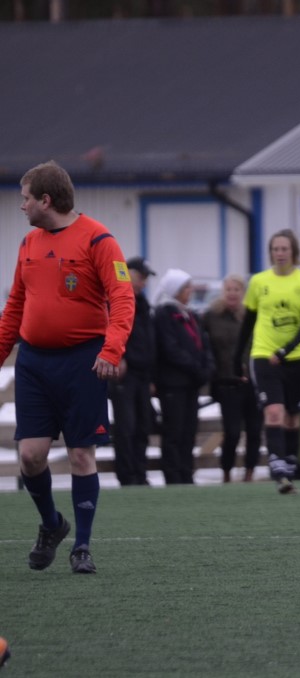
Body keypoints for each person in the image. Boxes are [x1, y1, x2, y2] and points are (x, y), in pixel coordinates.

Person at [0, 160, 135, 574]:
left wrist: (111, 350)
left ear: (45, 200)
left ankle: (82, 546)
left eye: (25, 198)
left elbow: (123, 298)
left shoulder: (99, 239)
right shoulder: (28, 243)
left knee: (80, 455)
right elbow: (15, 306)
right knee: (30, 456)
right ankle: (52, 524)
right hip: (34, 363)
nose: (21, 206)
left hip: (83, 361)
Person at [235, 229, 300, 495]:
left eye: (284, 249)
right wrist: (237, 357)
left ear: (293, 252)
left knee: (293, 418)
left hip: (297, 358)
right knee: (274, 412)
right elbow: (248, 323)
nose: (280, 253)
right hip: (263, 355)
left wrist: (285, 351)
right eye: (275, 249)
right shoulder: (259, 281)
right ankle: (278, 469)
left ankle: (290, 465)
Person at [152, 268, 212, 485]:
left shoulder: (190, 315)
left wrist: (207, 367)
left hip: (191, 383)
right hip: (173, 384)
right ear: (175, 290)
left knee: (189, 431)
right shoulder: (164, 314)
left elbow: (203, 343)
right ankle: (173, 475)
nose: (190, 290)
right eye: (186, 287)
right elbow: (171, 348)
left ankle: (187, 473)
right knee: (174, 431)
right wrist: (196, 367)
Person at [203, 273, 263, 483]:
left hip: (252, 381)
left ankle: (249, 473)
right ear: (223, 292)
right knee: (232, 432)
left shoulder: (251, 316)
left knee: (254, 431)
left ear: (243, 293)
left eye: (236, 290)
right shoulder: (211, 316)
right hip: (226, 382)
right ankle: (226, 472)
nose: (232, 294)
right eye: (228, 289)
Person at [108, 256, 158, 487]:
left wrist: (151, 375)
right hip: (124, 375)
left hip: (143, 374)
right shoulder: (115, 300)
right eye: (141, 277)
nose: (144, 282)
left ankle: (140, 473)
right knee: (126, 427)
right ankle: (127, 476)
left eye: (145, 278)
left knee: (143, 425)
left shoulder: (143, 304)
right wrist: (118, 357)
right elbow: (110, 330)